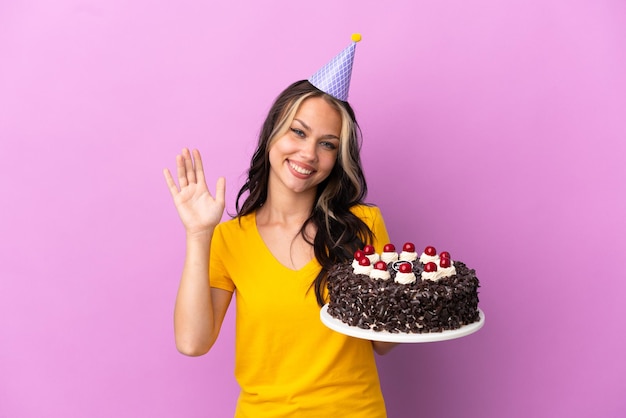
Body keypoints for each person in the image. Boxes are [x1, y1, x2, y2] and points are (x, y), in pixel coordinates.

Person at [163, 36, 396, 417]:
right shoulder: (228, 239)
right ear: (273, 132)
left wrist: (412, 295)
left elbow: (384, 343)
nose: (308, 154)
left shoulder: (364, 225)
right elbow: (192, 342)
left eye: (328, 144)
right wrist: (198, 234)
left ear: (339, 158)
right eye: (298, 132)